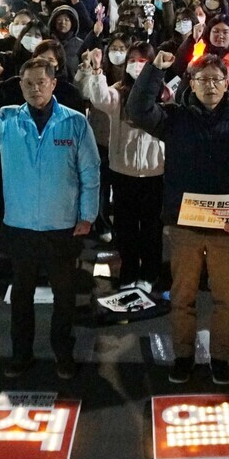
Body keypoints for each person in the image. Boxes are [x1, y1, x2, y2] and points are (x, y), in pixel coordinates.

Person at [127, 51, 229, 386]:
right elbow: (138, 110)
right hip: (184, 226)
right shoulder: (175, 118)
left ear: (226, 84)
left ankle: (220, 358)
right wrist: (155, 70)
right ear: (191, 83)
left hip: (226, 227)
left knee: (225, 298)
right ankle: (183, 356)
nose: (210, 85)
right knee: (183, 296)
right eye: (202, 79)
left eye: (216, 79)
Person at [0, 56, 99, 379]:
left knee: (64, 297)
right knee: (21, 296)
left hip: (62, 227)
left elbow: (90, 171)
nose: (34, 88)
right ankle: (21, 354)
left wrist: (88, 214)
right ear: (21, 86)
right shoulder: (9, 119)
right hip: (21, 226)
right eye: (27, 83)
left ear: (53, 84)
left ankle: (62, 353)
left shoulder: (75, 122)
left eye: (41, 82)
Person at [76, 43, 166, 291]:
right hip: (123, 171)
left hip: (154, 172)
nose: (138, 65)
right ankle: (128, 272)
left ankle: (149, 273)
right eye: (133, 60)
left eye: (143, 61)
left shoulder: (163, 93)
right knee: (125, 228)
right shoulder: (119, 91)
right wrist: (97, 71)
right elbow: (100, 98)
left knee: (151, 227)